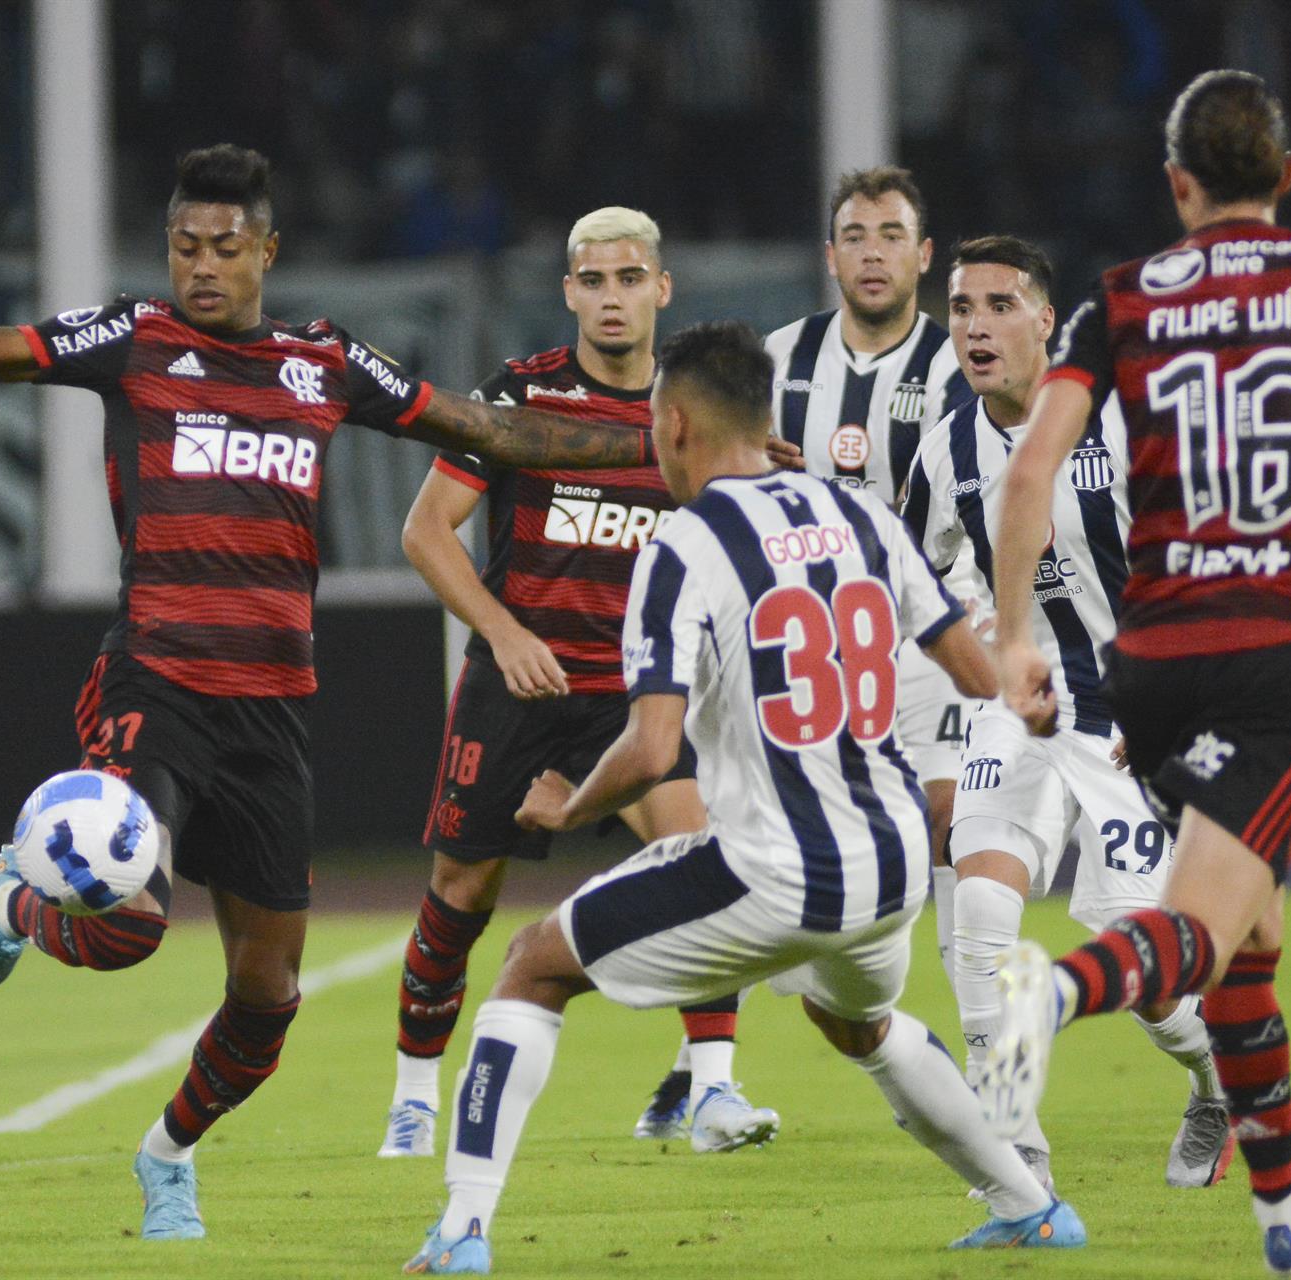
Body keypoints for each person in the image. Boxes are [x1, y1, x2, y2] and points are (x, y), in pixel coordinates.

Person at [0, 143, 666, 1239]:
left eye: (227, 247)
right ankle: (24, 894)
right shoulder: (131, 339)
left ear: (267, 248)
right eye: (186, 246)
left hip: (272, 711)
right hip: (156, 679)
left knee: (268, 1002)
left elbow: (497, 432)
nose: (204, 266)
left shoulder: (327, 363)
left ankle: (166, 1150)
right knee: (127, 921)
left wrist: (693, 443)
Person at [402, 321, 1086, 1275]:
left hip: (780, 869)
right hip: (891, 863)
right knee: (857, 1022)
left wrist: (570, 806)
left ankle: (461, 1231)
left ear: (674, 424)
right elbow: (979, 673)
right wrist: (1040, 703)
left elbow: (647, 750)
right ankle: (1029, 1203)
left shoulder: (684, 546)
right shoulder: (860, 515)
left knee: (531, 964)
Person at [977, 72, 1291, 1277]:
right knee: (1196, 924)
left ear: (1176, 183)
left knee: (1249, 935)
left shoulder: (1120, 298)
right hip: (1279, 650)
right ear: (1287, 176)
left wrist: (1018, 635)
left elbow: (1028, 471)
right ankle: (1053, 994)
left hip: (1151, 655)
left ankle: (1285, 1206)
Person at [381, 207, 778, 1161]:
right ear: (569, 293)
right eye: (593, 282)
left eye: (629, 279)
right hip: (516, 686)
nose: (612, 297)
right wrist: (504, 629)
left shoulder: (694, 412)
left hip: (638, 694)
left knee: (703, 863)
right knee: (460, 893)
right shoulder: (517, 399)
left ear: (662, 289)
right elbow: (425, 531)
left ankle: (713, 1092)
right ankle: (413, 1094)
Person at [634, 166, 979, 1122]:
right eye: (855, 236)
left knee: (949, 822)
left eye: (890, 234)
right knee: (754, 843)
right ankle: (722, 1071)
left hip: (927, 635)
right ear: (830, 257)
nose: (872, 252)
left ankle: (976, 1039)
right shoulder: (778, 363)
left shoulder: (963, 366)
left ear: (923, 255)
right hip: (799, 648)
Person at [901, 235, 1230, 1193]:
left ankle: (1214, 1084)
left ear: (1046, 319)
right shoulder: (946, 449)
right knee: (982, 910)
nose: (975, 326)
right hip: (1019, 709)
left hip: (1130, 717)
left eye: (999, 305)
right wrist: (971, 643)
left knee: (1145, 961)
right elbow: (913, 570)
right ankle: (1014, 1149)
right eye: (961, 308)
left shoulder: (1124, 417)